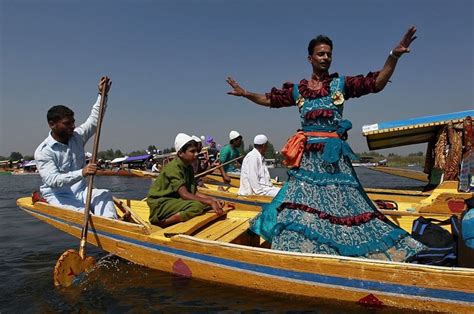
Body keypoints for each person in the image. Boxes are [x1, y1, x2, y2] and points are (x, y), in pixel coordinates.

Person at [226, 26, 426, 262]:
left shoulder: (340, 84)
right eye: (321, 54)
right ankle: (298, 256)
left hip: (334, 161)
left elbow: (377, 83)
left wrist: (394, 56)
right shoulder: (297, 91)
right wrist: (246, 93)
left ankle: (342, 256)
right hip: (307, 162)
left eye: (329, 54)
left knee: (344, 209)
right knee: (297, 209)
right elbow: (269, 100)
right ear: (310, 58)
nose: (326, 58)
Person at [34, 77, 117, 219]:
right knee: (84, 215)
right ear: (52, 124)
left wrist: (102, 95)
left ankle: (113, 226)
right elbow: (54, 180)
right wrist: (82, 172)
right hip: (59, 195)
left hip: (81, 191)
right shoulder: (44, 151)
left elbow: (94, 120)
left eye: (73, 122)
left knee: (104, 194)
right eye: (67, 123)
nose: (72, 126)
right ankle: (100, 224)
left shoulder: (77, 136)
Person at [146, 133, 224, 228]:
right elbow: (184, 194)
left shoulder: (188, 167)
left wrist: (212, 199)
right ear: (180, 153)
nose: (196, 154)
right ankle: (162, 222)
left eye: (196, 151)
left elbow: (194, 192)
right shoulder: (174, 167)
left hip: (174, 199)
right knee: (197, 207)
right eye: (192, 151)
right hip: (160, 203)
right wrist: (209, 201)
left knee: (204, 204)